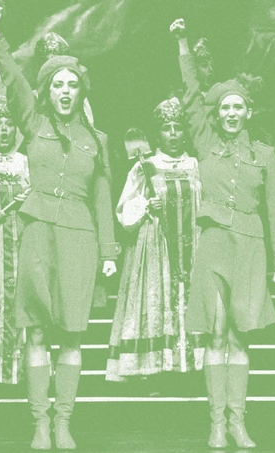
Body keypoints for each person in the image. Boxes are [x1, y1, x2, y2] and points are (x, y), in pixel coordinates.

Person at [0, 5, 120, 450]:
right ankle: (40, 422)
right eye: (58, 84)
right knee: (37, 331)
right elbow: (13, 80)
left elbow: (102, 198)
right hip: (38, 234)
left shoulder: (97, 140)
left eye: (72, 84)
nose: (65, 91)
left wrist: (108, 252)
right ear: (47, 89)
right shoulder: (34, 121)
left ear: (82, 90)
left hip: (80, 238)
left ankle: (63, 421)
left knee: (72, 333)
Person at [171, 18, 275, 449]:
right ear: (217, 113)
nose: (231, 113)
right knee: (217, 332)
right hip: (214, 245)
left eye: (238, 107)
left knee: (241, 334)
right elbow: (191, 97)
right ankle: (216, 423)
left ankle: (238, 421)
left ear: (248, 112)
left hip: (251, 246)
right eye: (224, 107)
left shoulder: (265, 154)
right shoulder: (206, 144)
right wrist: (183, 44)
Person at [106, 98, 203, 381]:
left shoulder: (195, 165)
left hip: (191, 245)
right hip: (155, 246)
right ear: (157, 134)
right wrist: (148, 205)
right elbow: (124, 209)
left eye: (178, 127)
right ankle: (155, 366)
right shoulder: (145, 166)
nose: (173, 134)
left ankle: (190, 366)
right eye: (166, 128)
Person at [0, 96, 29, 385]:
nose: (4, 130)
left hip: (21, 243)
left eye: (9, 124)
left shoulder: (25, 162)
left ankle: (22, 372)